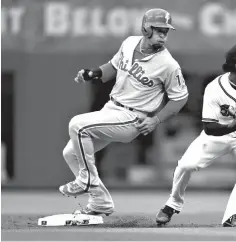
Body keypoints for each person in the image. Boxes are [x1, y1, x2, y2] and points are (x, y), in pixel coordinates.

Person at [59, 8, 189, 216]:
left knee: (77, 124)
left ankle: (86, 180)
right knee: (70, 153)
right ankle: (101, 202)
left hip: (133, 117)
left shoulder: (168, 65)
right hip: (112, 108)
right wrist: (92, 73)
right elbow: (113, 66)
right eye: (159, 29)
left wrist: (156, 120)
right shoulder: (129, 43)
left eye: (166, 30)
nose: (164, 34)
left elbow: (180, 97)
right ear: (146, 28)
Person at [155, 43, 236, 227]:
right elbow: (209, 127)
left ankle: (233, 215)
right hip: (218, 135)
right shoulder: (215, 88)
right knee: (186, 165)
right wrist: (234, 124)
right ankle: (173, 204)